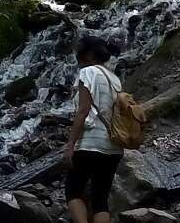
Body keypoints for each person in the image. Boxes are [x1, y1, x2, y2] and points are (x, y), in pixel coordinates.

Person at [64, 36, 124, 223]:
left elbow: (83, 111)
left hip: (90, 143)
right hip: (113, 146)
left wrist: (70, 145)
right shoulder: (114, 78)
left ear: (89, 54)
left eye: (79, 53)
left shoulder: (88, 72)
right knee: (100, 200)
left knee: (73, 191)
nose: (77, 57)